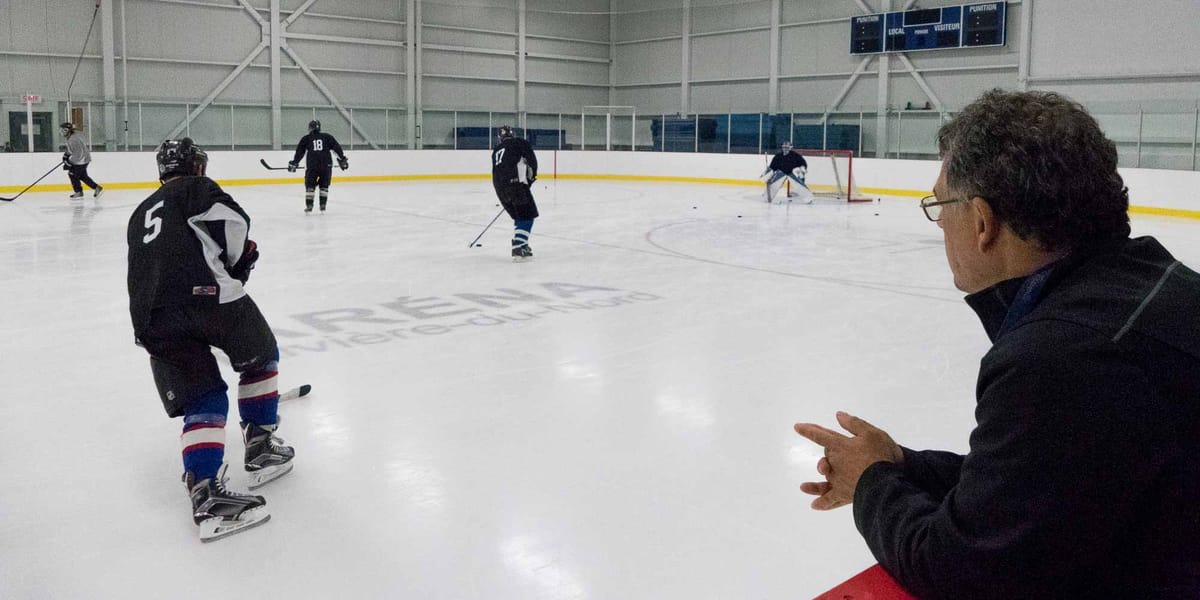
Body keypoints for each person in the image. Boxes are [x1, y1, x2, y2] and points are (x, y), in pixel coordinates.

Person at [793, 89, 1200, 598]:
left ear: (983, 222)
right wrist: (903, 466)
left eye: (941, 207)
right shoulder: (1157, 285)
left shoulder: (1060, 356)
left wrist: (870, 482)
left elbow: (962, 570)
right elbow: (1047, 481)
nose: (941, 225)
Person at [127, 138, 296, 542]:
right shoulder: (196, 188)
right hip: (209, 297)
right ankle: (261, 445)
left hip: (151, 316)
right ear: (196, 166)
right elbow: (233, 222)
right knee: (260, 357)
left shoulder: (139, 212)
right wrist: (237, 264)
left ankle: (205, 492)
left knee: (202, 395)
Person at [491, 125, 539, 262]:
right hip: (516, 185)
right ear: (512, 134)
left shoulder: (496, 151)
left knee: (520, 215)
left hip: (500, 189)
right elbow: (532, 162)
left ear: (500, 138)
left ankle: (523, 245)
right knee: (528, 215)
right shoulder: (519, 142)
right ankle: (518, 245)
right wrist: (530, 180)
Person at [288, 120, 348, 213]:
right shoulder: (327, 137)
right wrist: (342, 159)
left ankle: (309, 205)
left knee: (310, 186)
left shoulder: (306, 138)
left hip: (312, 165)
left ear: (310, 128)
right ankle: (323, 205)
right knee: (324, 186)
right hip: (326, 165)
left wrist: (294, 163)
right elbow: (337, 149)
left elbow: (300, 152)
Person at [61, 122, 103, 198]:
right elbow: (72, 150)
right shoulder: (70, 138)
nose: (61, 132)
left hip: (82, 160)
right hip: (83, 159)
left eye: (63, 130)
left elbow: (79, 154)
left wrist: (69, 163)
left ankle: (78, 191)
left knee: (72, 174)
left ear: (67, 130)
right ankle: (96, 187)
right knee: (82, 176)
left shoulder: (73, 139)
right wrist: (66, 155)